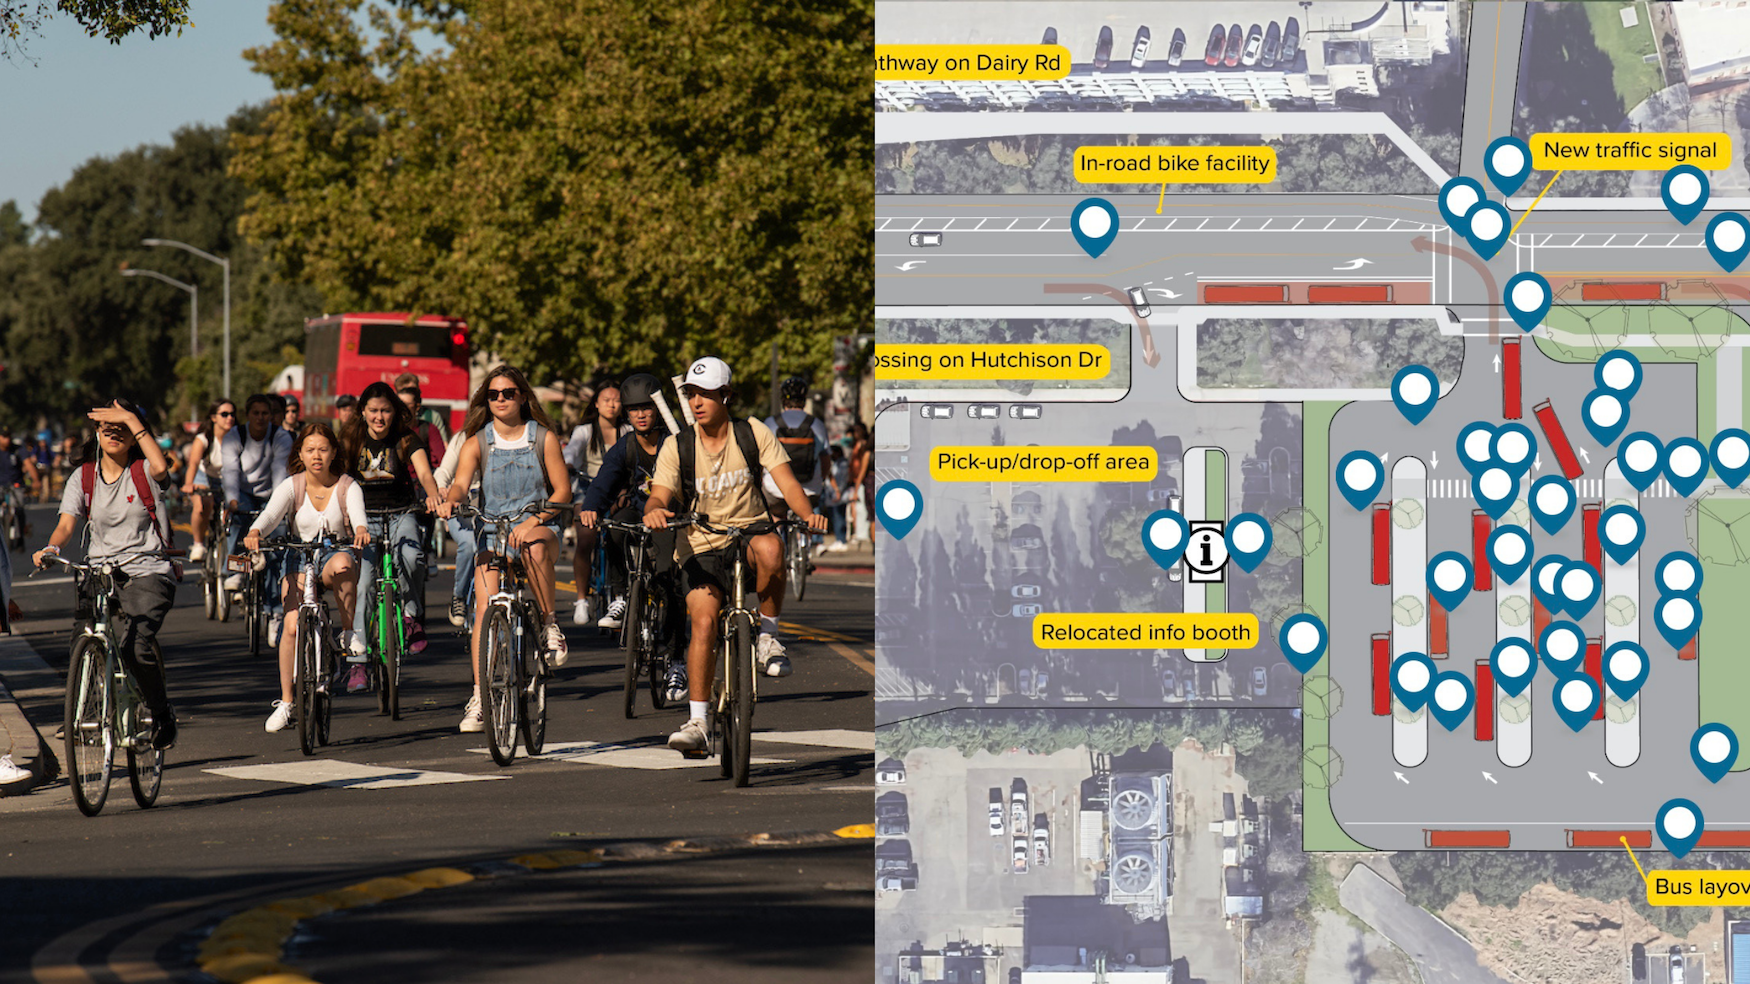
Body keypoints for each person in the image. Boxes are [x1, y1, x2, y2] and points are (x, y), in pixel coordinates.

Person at [643, 357, 827, 754]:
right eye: (692, 394)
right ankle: (698, 722)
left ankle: (769, 637)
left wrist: (808, 514)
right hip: (700, 543)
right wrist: (655, 508)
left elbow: (787, 482)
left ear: (726, 395)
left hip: (749, 530)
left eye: (707, 394)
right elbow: (659, 492)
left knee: (772, 548)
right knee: (705, 623)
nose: (697, 402)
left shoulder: (752, 432)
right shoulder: (679, 445)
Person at [34, 400, 179, 750]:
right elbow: (66, 525)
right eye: (107, 429)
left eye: (122, 430)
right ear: (97, 435)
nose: (113, 435)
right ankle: (87, 710)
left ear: (134, 436)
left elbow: (162, 467)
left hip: (147, 570)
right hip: (99, 571)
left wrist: (130, 417)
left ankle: (161, 714)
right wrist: (52, 549)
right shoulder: (83, 476)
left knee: (134, 645)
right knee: (81, 642)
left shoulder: (144, 470)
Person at [437, 366, 573, 733]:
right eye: (494, 394)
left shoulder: (542, 438)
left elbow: (562, 492)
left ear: (523, 397)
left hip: (537, 523)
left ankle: (549, 625)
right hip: (493, 527)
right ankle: (480, 697)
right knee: (484, 608)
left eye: (509, 393)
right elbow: (461, 483)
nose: (501, 399)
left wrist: (534, 521)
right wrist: (451, 500)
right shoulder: (476, 441)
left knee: (533, 545)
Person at [246, 424, 370, 726]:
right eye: (310, 450)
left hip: (332, 555)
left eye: (323, 449)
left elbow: (358, 517)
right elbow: (271, 514)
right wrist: (255, 532)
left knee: (343, 565)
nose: (317, 456)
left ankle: (348, 631)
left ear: (333, 453)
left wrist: (362, 530)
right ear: (300, 454)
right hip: (298, 556)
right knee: (290, 625)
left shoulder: (347, 486)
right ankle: (287, 702)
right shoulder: (293, 485)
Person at [577, 373, 682, 697]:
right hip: (636, 510)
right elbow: (603, 482)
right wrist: (591, 507)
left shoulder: (676, 440)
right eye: (633, 408)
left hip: (668, 517)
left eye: (646, 408)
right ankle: (622, 596)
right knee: (613, 530)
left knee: (671, 579)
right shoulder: (625, 446)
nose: (640, 414)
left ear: (658, 409)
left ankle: (677, 660)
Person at [341, 381, 441, 660]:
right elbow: (337, 476)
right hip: (363, 519)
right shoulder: (350, 438)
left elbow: (425, 474)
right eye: (373, 410)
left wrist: (432, 496)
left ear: (394, 412)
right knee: (362, 583)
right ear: (362, 411)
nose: (379, 417)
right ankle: (358, 660)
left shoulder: (406, 438)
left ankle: (411, 614)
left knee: (411, 557)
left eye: (385, 410)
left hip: (401, 513)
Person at [757, 375, 830, 666]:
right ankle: (804, 546)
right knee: (806, 517)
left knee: (776, 518)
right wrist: (821, 481)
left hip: (776, 488)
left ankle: (781, 548)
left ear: (783, 397)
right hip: (808, 488)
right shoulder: (817, 424)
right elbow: (824, 457)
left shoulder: (770, 422)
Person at [222, 394, 295, 643]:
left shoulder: (280, 437)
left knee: (275, 550)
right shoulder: (234, 436)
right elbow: (230, 470)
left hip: (270, 495)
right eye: (256, 413)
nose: (261, 418)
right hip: (242, 492)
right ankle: (235, 570)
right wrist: (232, 500)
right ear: (248, 414)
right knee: (237, 524)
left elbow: (279, 472)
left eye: (265, 413)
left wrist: (275, 508)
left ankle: (274, 613)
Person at [563, 379, 628, 626]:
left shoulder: (628, 431)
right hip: (587, 491)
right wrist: (568, 464)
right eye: (606, 400)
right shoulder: (585, 431)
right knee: (586, 537)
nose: (612, 405)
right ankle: (581, 599)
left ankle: (620, 595)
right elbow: (572, 451)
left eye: (617, 400)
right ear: (597, 404)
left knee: (620, 537)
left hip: (618, 494)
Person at [433, 427, 479, 628]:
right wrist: (442, 488)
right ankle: (459, 597)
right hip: (460, 505)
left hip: (493, 508)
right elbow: (443, 471)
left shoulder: (509, 437)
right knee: (469, 543)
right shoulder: (463, 438)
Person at [180, 399, 236, 563]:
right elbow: (194, 463)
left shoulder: (237, 437)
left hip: (228, 478)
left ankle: (235, 571)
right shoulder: (203, 439)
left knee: (236, 516)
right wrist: (189, 484)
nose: (229, 418)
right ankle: (198, 544)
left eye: (232, 414)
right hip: (203, 476)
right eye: (224, 414)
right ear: (213, 417)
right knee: (202, 505)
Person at [822, 444, 850, 551]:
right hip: (831, 495)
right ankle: (839, 539)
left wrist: (838, 491)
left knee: (839, 518)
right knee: (835, 517)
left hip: (838, 495)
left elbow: (842, 480)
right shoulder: (834, 463)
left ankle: (841, 540)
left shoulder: (842, 463)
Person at [849, 421, 873, 542]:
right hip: (857, 480)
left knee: (864, 510)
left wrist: (857, 486)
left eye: (858, 430)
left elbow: (862, 468)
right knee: (858, 509)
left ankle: (863, 534)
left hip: (865, 482)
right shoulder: (857, 445)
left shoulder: (865, 448)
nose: (856, 434)